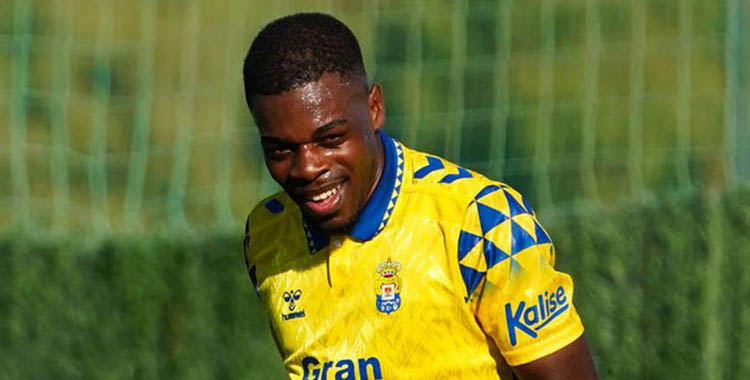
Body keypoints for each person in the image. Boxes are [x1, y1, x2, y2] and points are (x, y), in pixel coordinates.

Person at [242, 12, 598, 380]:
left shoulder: (482, 223)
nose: (307, 168)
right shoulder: (266, 236)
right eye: (280, 150)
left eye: (331, 139)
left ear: (374, 108)